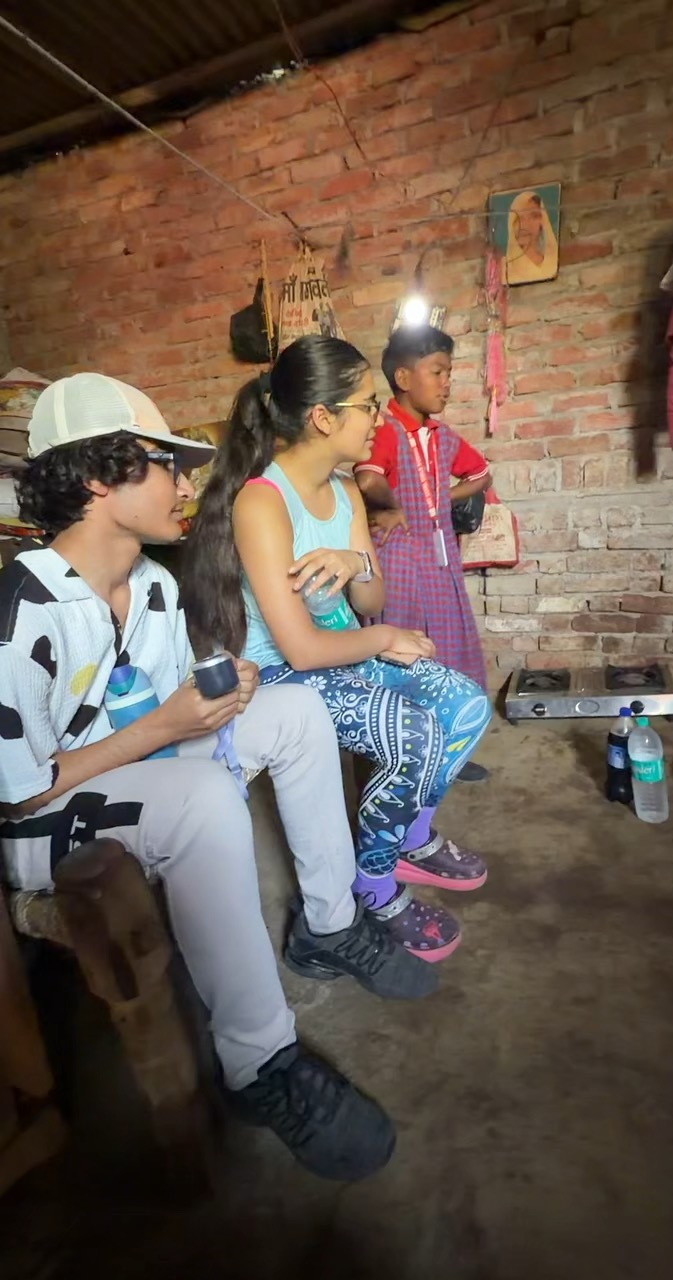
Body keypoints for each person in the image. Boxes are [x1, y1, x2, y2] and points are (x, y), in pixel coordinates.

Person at [0, 372, 438, 1184]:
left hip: (147, 766)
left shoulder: (158, 587)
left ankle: (331, 922)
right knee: (202, 799)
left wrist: (226, 686)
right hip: (49, 815)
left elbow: (179, 705)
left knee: (293, 710)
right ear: (99, 478)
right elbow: (16, 788)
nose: (185, 481)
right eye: (163, 463)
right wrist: (164, 726)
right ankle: (260, 1061)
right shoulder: (26, 604)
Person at [182, 336, 493, 965]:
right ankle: (374, 885)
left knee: (464, 705)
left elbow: (372, 599)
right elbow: (298, 650)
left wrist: (353, 561)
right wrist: (381, 640)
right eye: (368, 405)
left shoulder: (348, 490)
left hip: (342, 649)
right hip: (281, 674)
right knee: (414, 735)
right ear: (324, 417)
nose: (377, 418)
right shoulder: (261, 502)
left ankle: (407, 837)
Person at [353, 325, 491, 783]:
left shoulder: (443, 436)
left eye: (449, 372)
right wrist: (393, 506)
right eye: (438, 371)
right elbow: (367, 477)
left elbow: (482, 474)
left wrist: (438, 500)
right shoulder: (386, 429)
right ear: (404, 377)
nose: (447, 382)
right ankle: (405, 756)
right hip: (399, 563)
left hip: (440, 558)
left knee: (448, 647)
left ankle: (450, 749)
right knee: (406, 650)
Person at [505, 190, 559, 285]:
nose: (525, 225)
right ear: (511, 223)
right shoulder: (500, 270)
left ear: (542, 222)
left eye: (534, 216)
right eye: (519, 218)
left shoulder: (554, 262)